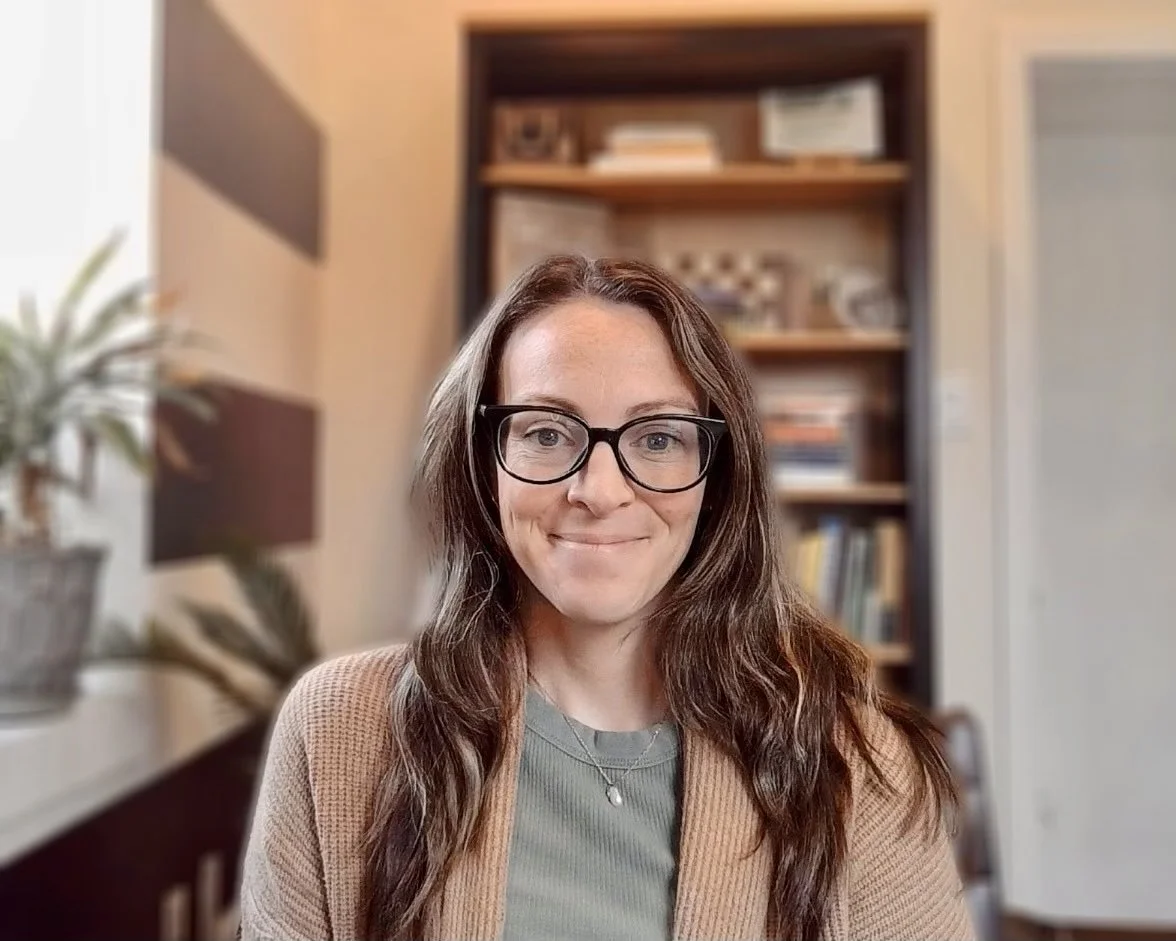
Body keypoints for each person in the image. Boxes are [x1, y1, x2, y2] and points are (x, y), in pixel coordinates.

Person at [238, 256, 974, 941]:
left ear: (716, 476)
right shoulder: (336, 730)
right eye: (547, 432)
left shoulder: (856, 764)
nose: (598, 490)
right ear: (481, 463)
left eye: (657, 439)